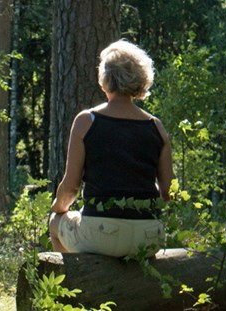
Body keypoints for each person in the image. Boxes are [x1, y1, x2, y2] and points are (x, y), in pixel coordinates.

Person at [48, 39, 173, 257]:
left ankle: (79, 287)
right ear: (140, 79)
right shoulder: (157, 127)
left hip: (100, 234)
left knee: (54, 224)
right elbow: (168, 192)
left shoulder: (87, 121)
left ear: (104, 79)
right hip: (150, 237)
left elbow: (70, 187)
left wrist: (58, 209)